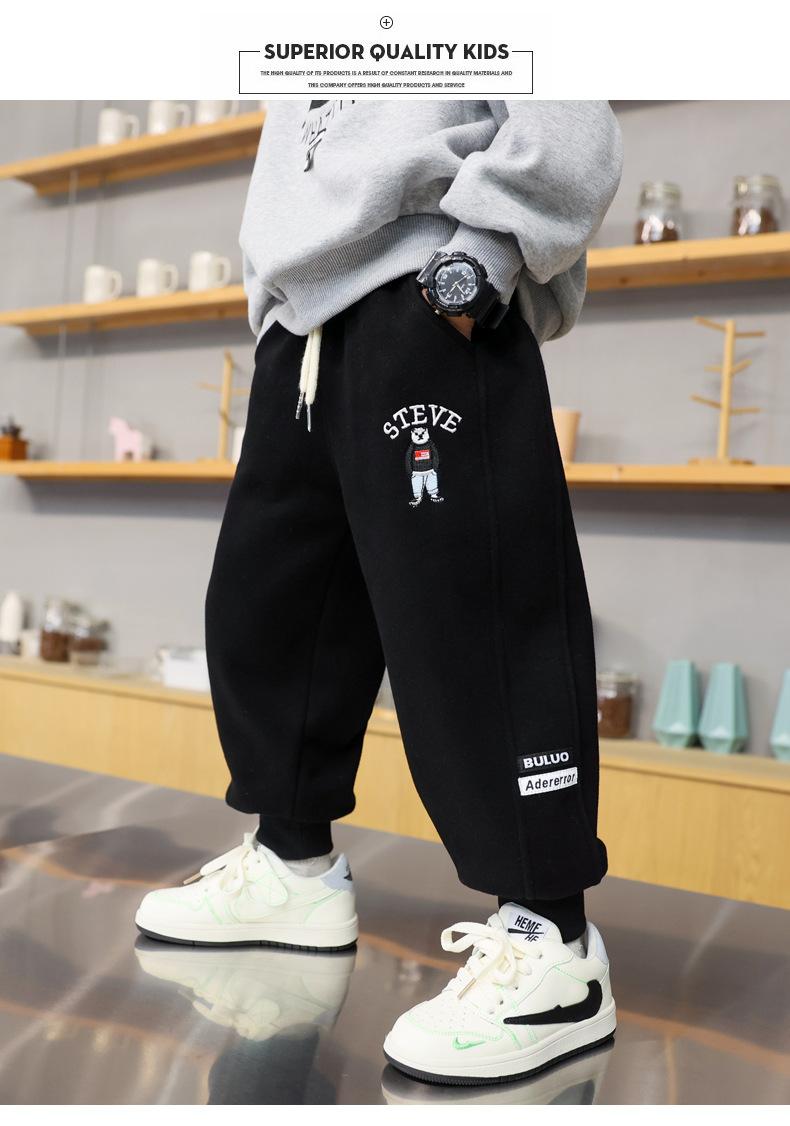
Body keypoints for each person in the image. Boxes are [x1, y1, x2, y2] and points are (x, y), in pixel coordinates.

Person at [136, 99, 623, 1085]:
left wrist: (478, 259)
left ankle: (554, 944)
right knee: (270, 610)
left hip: (430, 292)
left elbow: (569, 111)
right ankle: (292, 865)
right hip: (301, 330)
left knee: (474, 623)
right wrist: (276, 303)